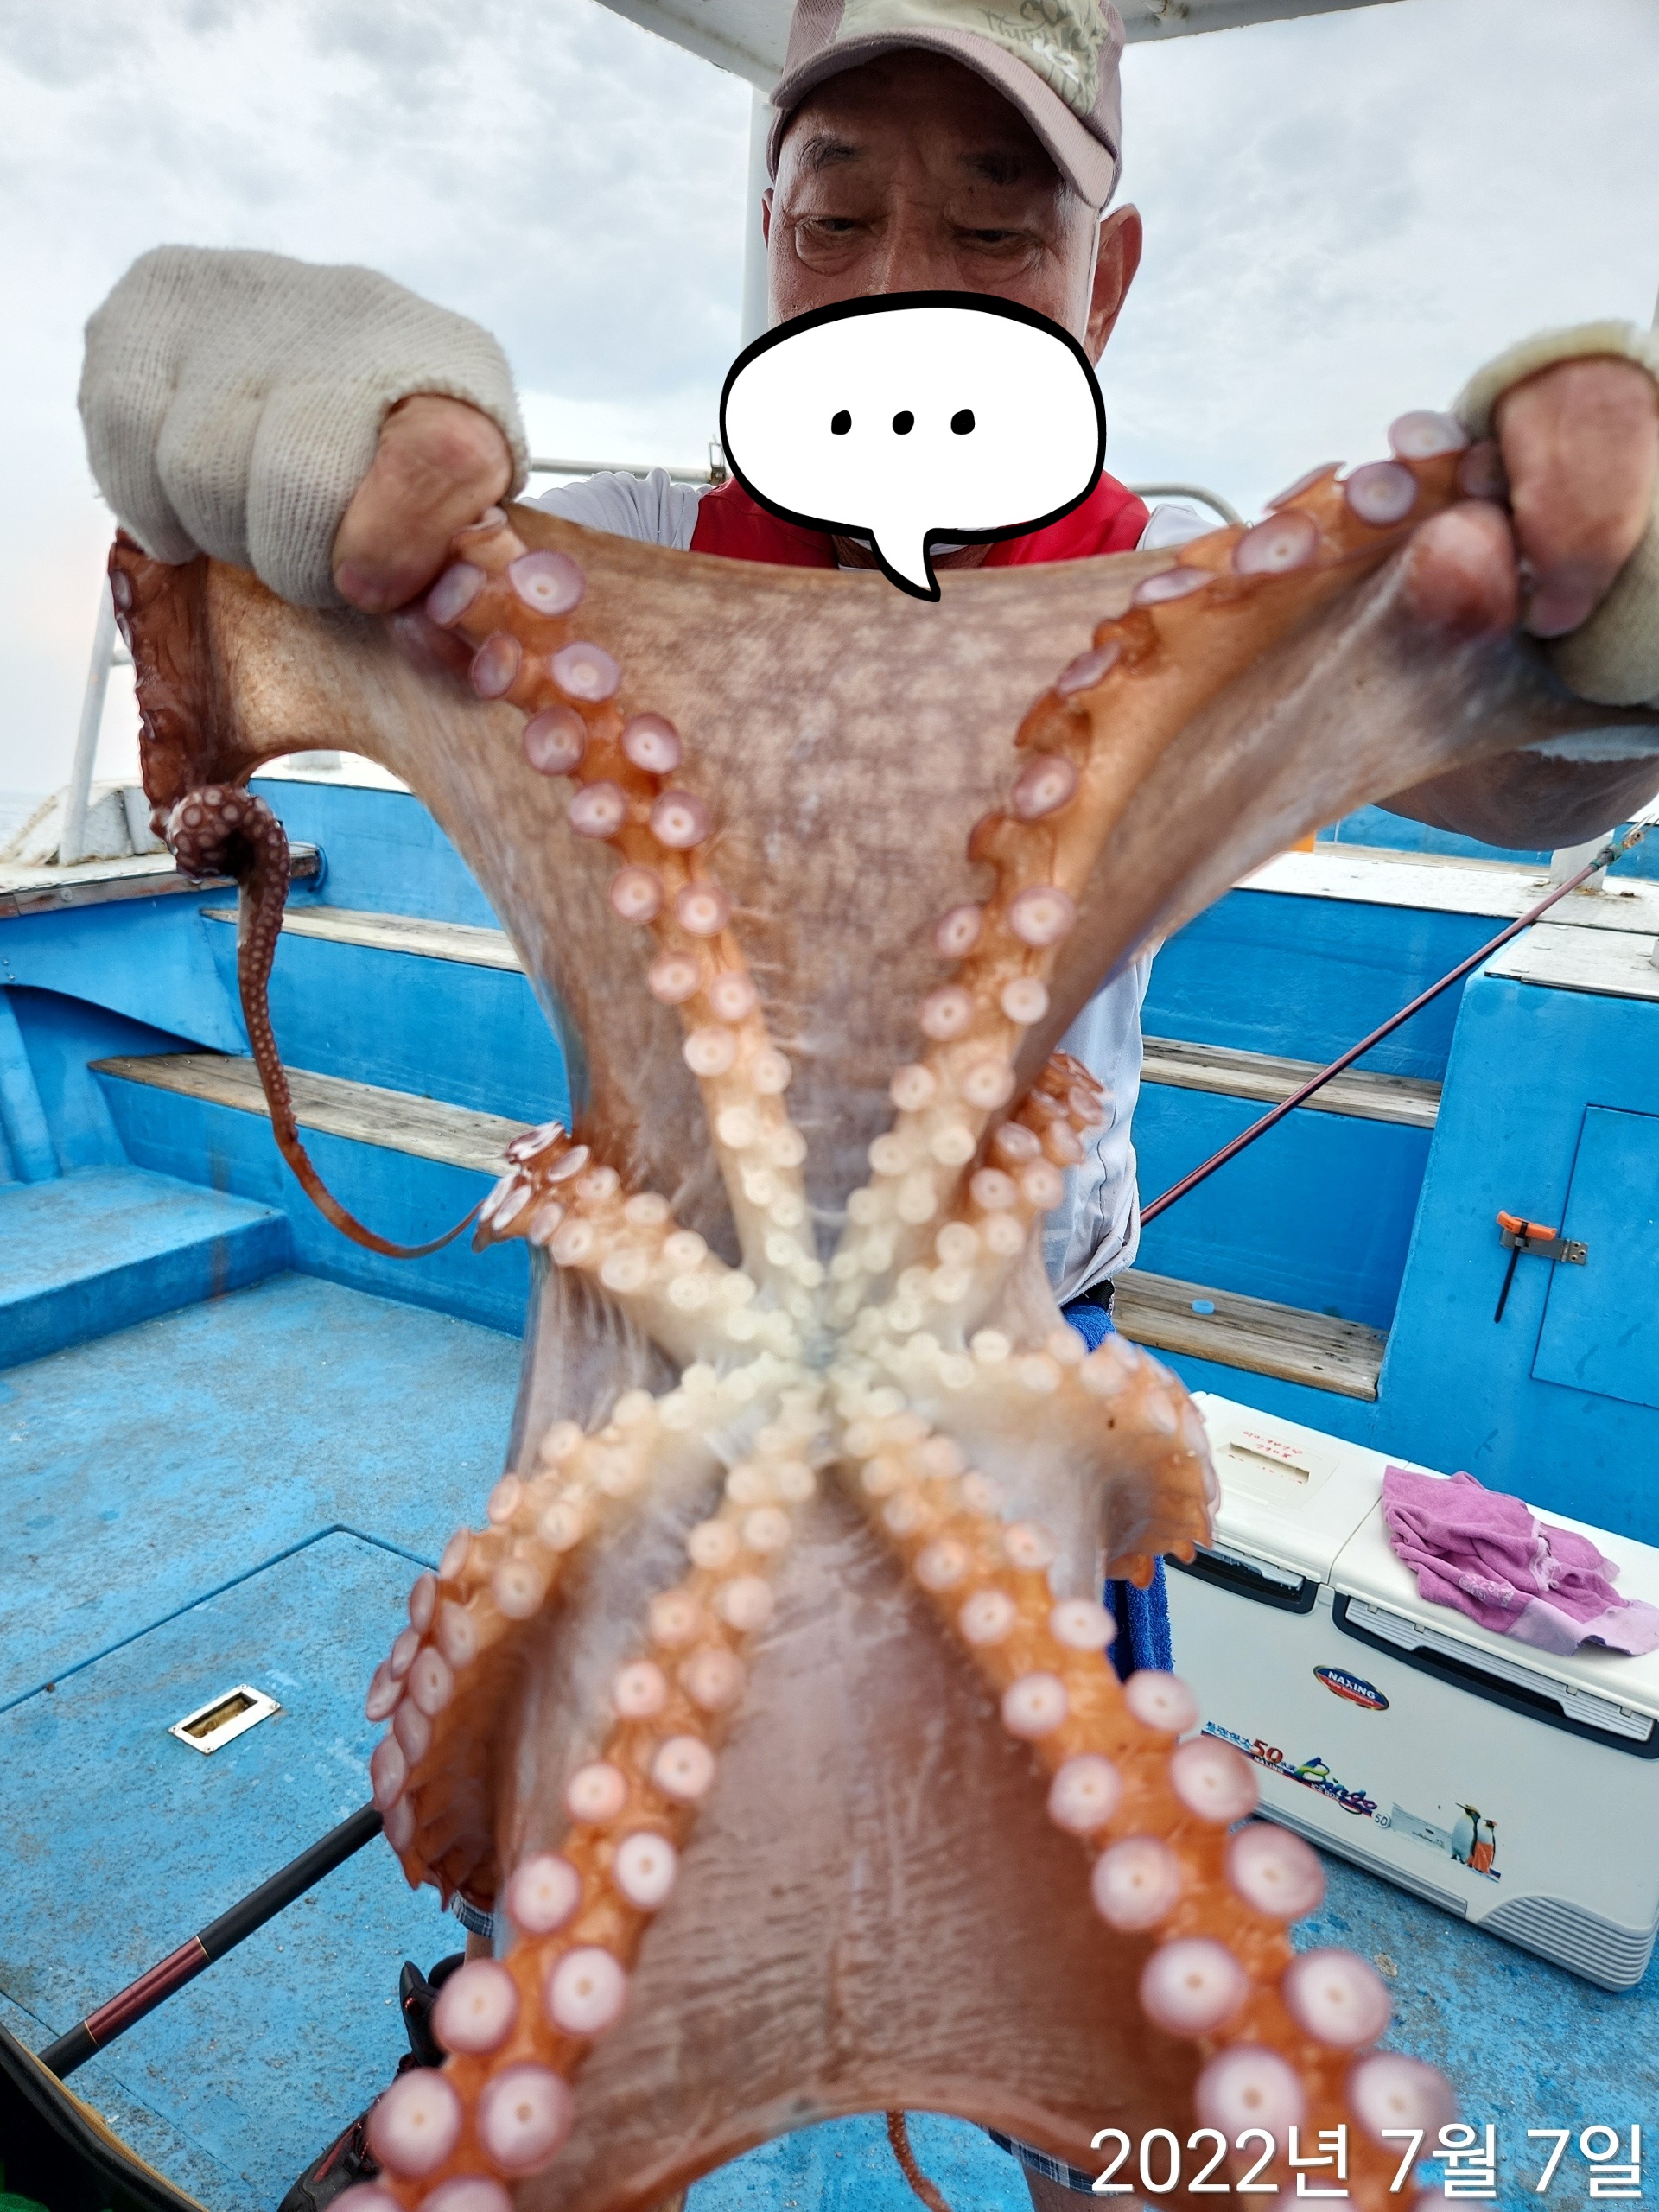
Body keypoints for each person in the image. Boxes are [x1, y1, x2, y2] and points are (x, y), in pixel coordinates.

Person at [76, 2, 1659, 2203]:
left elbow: (1504, 729)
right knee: (568, 1878)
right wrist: (221, 426)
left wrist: (1595, 644)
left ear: (1105, 279)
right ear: (768, 236)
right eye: (839, 219)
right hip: (651, 1366)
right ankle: (522, 2041)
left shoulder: (1179, 608)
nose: (906, 285)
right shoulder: (597, 558)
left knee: (1103, 1969)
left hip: (1014, 1363)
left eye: (998, 229)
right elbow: (280, 586)